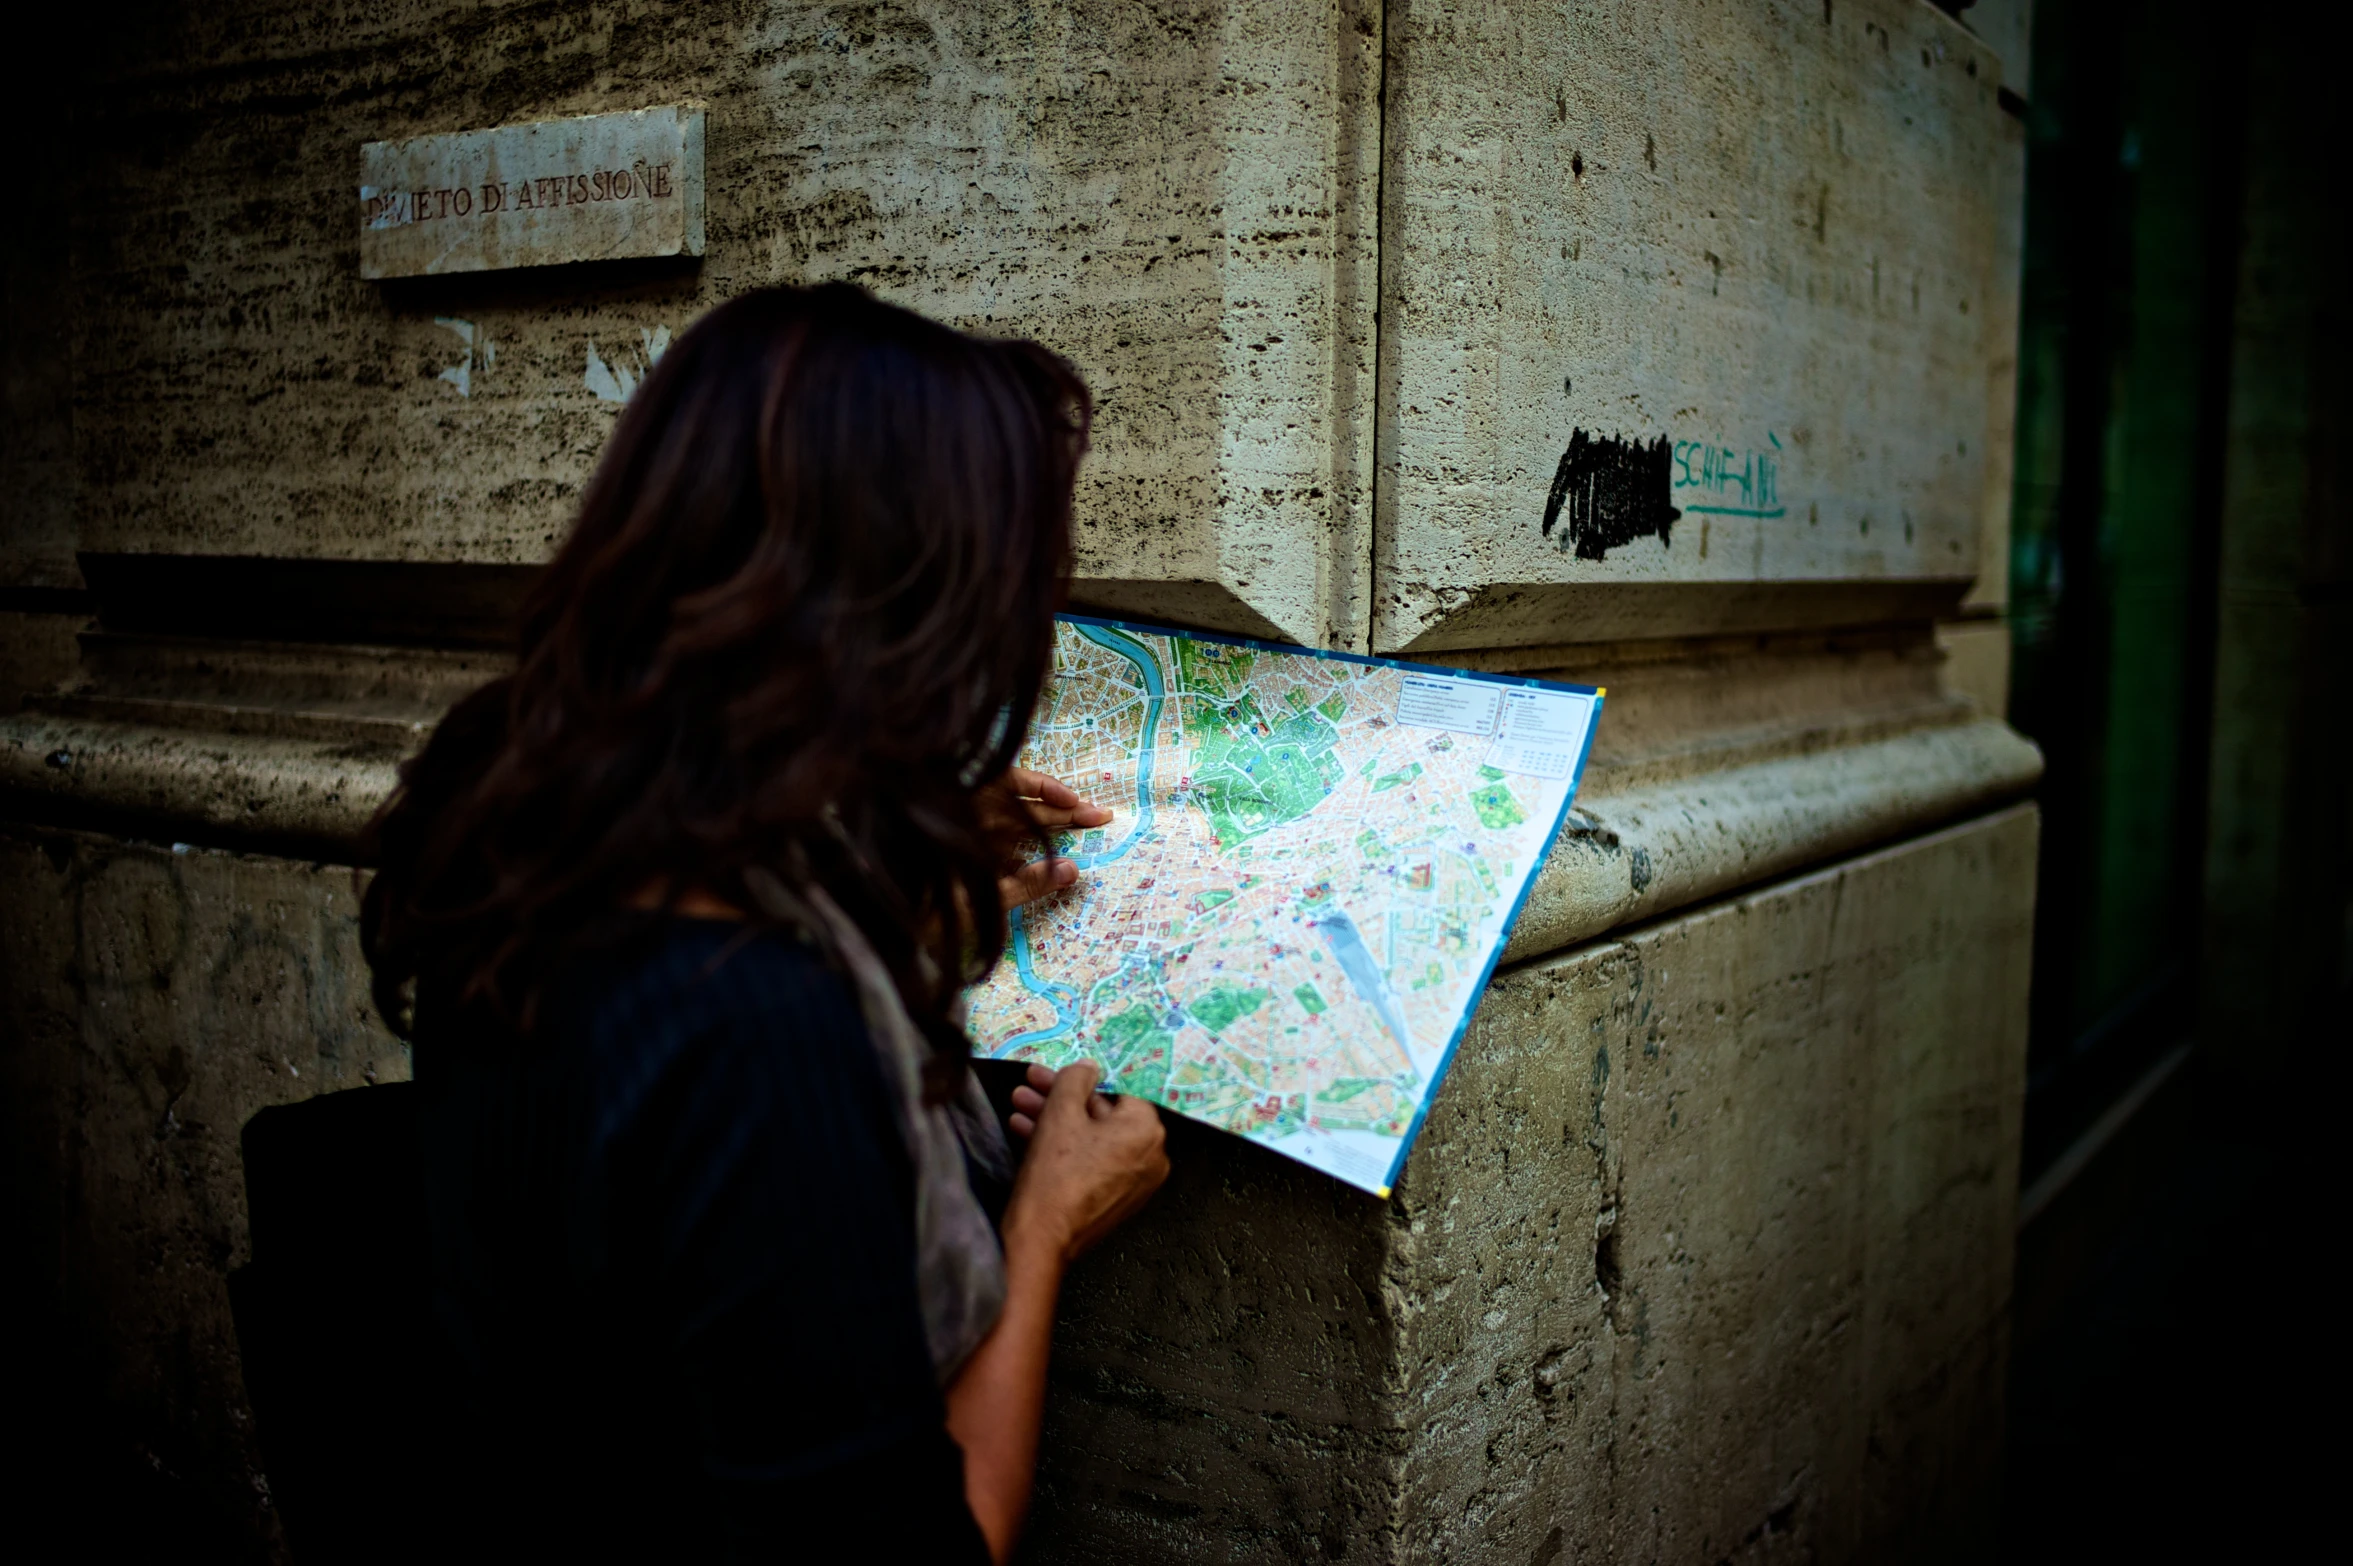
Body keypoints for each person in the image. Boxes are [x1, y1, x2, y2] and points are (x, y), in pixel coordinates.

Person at [358, 284, 1169, 1561]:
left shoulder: (517, 838)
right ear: (908, 617)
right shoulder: (761, 1025)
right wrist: (1046, 1223)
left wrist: (902, 847)